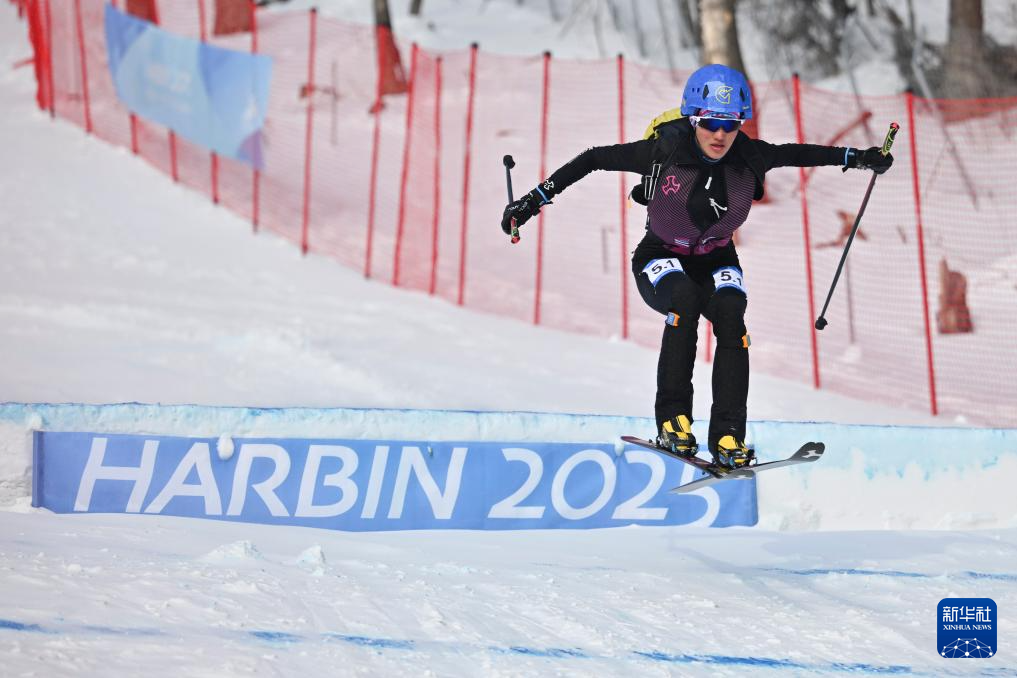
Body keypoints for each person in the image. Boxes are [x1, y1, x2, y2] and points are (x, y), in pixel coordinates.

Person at [500, 64, 894, 469]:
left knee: (731, 314)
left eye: (730, 124)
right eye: (710, 124)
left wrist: (860, 158)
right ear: (693, 119)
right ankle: (674, 422)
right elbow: (593, 159)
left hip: (716, 257)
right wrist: (531, 202)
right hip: (660, 254)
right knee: (684, 299)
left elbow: (799, 153)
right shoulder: (664, 151)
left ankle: (728, 434)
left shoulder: (750, 155)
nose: (720, 135)